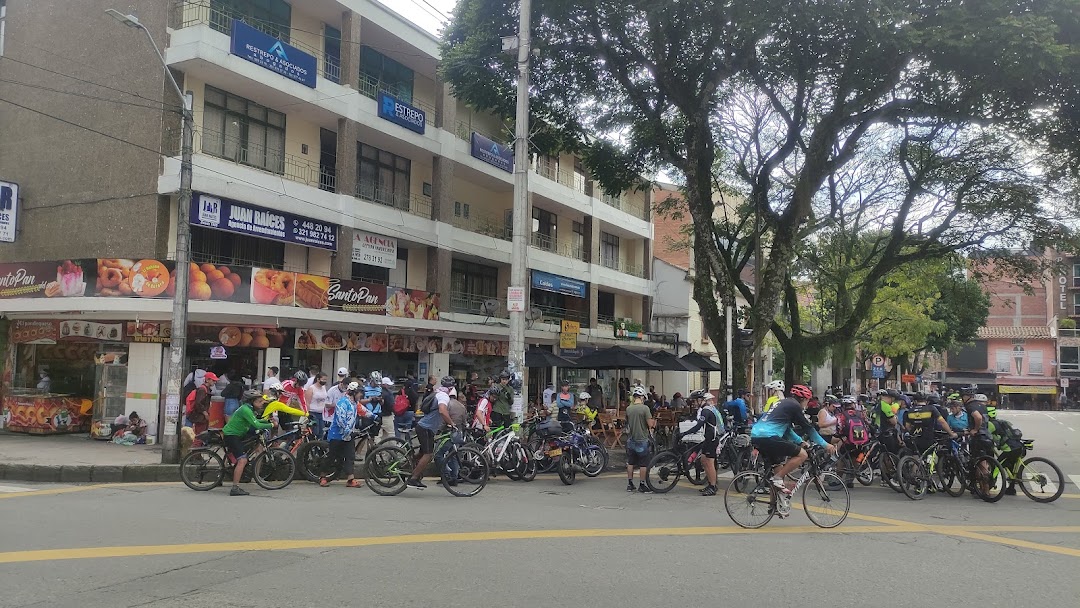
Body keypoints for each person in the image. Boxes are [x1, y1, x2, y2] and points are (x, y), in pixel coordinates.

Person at [749, 384, 836, 516]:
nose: (807, 404)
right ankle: (777, 479)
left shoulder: (783, 404)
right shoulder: (794, 406)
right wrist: (825, 445)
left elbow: (787, 430)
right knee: (802, 455)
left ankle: (775, 505)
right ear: (803, 399)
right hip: (769, 436)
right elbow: (808, 428)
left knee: (777, 469)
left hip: (757, 436)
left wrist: (800, 442)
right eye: (807, 400)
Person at [222, 390, 274, 496]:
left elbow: (256, 421)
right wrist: (271, 425)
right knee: (242, 460)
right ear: (252, 402)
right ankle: (235, 488)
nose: (261, 404)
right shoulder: (246, 410)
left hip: (238, 434)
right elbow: (257, 425)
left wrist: (267, 422)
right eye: (259, 402)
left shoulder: (248, 409)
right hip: (232, 435)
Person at [407, 376, 456, 489]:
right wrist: (452, 423)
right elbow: (442, 411)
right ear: (452, 388)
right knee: (428, 455)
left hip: (426, 427)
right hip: (425, 428)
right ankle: (413, 478)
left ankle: (407, 466)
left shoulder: (438, 393)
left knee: (421, 454)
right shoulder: (444, 396)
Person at [677, 392, 725, 496]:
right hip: (708, 439)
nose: (693, 404)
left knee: (709, 463)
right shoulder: (707, 409)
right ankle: (710, 484)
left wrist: (684, 433)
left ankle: (713, 487)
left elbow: (698, 426)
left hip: (712, 440)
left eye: (694, 401)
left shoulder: (706, 411)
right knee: (703, 460)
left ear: (700, 400)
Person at [321, 382, 362, 488]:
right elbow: (340, 420)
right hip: (337, 435)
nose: (361, 395)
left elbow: (363, 410)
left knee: (350, 457)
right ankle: (323, 477)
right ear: (353, 393)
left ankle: (350, 480)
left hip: (348, 436)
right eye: (359, 393)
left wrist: (374, 417)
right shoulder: (342, 403)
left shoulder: (354, 403)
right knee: (332, 456)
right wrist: (349, 430)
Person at [436, 387, 470, 486]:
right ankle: (454, 477)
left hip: (448, 432)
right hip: (458, 432)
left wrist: (438, 431)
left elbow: (443, 420)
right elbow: (464, 422)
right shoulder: (462, 406)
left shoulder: (447, 404)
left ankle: (446, 474)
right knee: (454, 456)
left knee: (438, 454)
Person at [987, 406, 1024, 495]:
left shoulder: (990, 424)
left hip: (1010, 449)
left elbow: (985, 435)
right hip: (1019, 447)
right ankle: (1011, 489)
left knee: (996, 466)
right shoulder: (1003, 422)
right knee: (1011, 468)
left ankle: (989, 485)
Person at [624, 385, 655, 493]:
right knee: (643, 463)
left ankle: (630, 484)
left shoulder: (628, 409)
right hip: (642, 439)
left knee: (631, 462)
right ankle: (642, 484)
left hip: (631, 439)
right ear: (642, 397)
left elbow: (627, 423)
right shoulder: (645, 408)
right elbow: (650, 424)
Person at [305, 373, 330, 439]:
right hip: (313, 412)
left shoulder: (324, 388)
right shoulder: (311, 388)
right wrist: (307, 414)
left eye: (326, 379)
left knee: (321, 431)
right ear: (318, 379)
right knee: (315, 431)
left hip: (321, 413)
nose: (325, 381)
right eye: (323, 379)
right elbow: (307, 402)